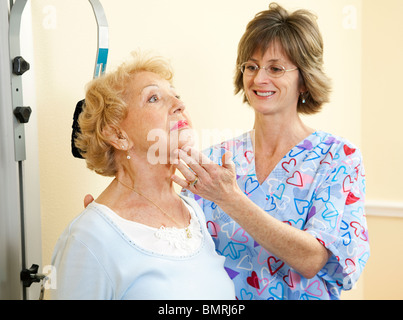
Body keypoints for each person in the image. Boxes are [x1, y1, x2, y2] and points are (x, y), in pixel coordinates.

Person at [172, 3, 369, 300]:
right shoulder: (215, 160)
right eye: (251, 66)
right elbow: (178, 243)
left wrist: (232, 199)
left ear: (304, 80)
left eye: (275, 68)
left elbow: (312, 259)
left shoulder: (338, 158)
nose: (259, 79)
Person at [51, 52, 235, 300]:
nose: (179, 104)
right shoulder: (89, 237)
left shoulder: (194, 214)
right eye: (154, 98)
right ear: (118, 135)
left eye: (176, 95)